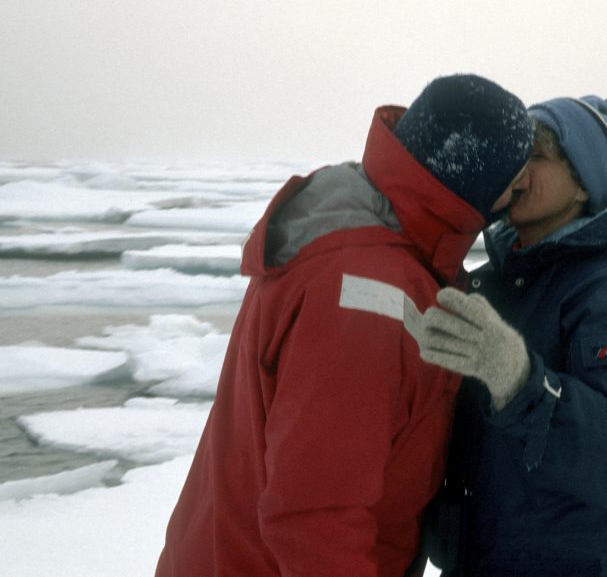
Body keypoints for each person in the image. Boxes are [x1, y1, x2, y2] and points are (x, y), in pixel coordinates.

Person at [155, 74, 534, 577]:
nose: (520, 193)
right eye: (515, 180)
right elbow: (315, 519)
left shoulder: (362, 230)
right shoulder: (367, 297)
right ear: (477, 181)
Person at [416, 95, 607, 576]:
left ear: (583, 184)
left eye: (537, 156)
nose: (518, 171)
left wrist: (521, 382)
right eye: (516, 153)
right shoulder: (494, 283)